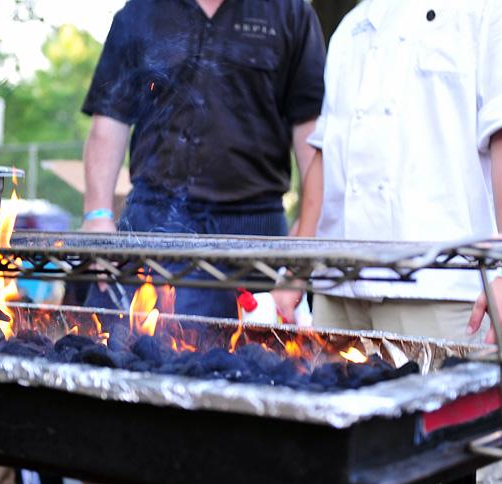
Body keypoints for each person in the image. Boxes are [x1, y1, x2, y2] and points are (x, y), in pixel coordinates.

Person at [278, 0, 502, 350]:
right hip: (338, 291)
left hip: (441, 289)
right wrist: (297, 270)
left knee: (438, 406)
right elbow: (326, 158)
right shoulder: (352, 26)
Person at [80, 0, 326, 318]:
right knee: (111, 351)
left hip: (255, 231)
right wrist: (97, 215)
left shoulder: (291, 13)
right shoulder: (141, 10)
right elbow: (109, 120)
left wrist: (300, 261)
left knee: (255, 364)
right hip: (151, 224)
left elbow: (314, 137)